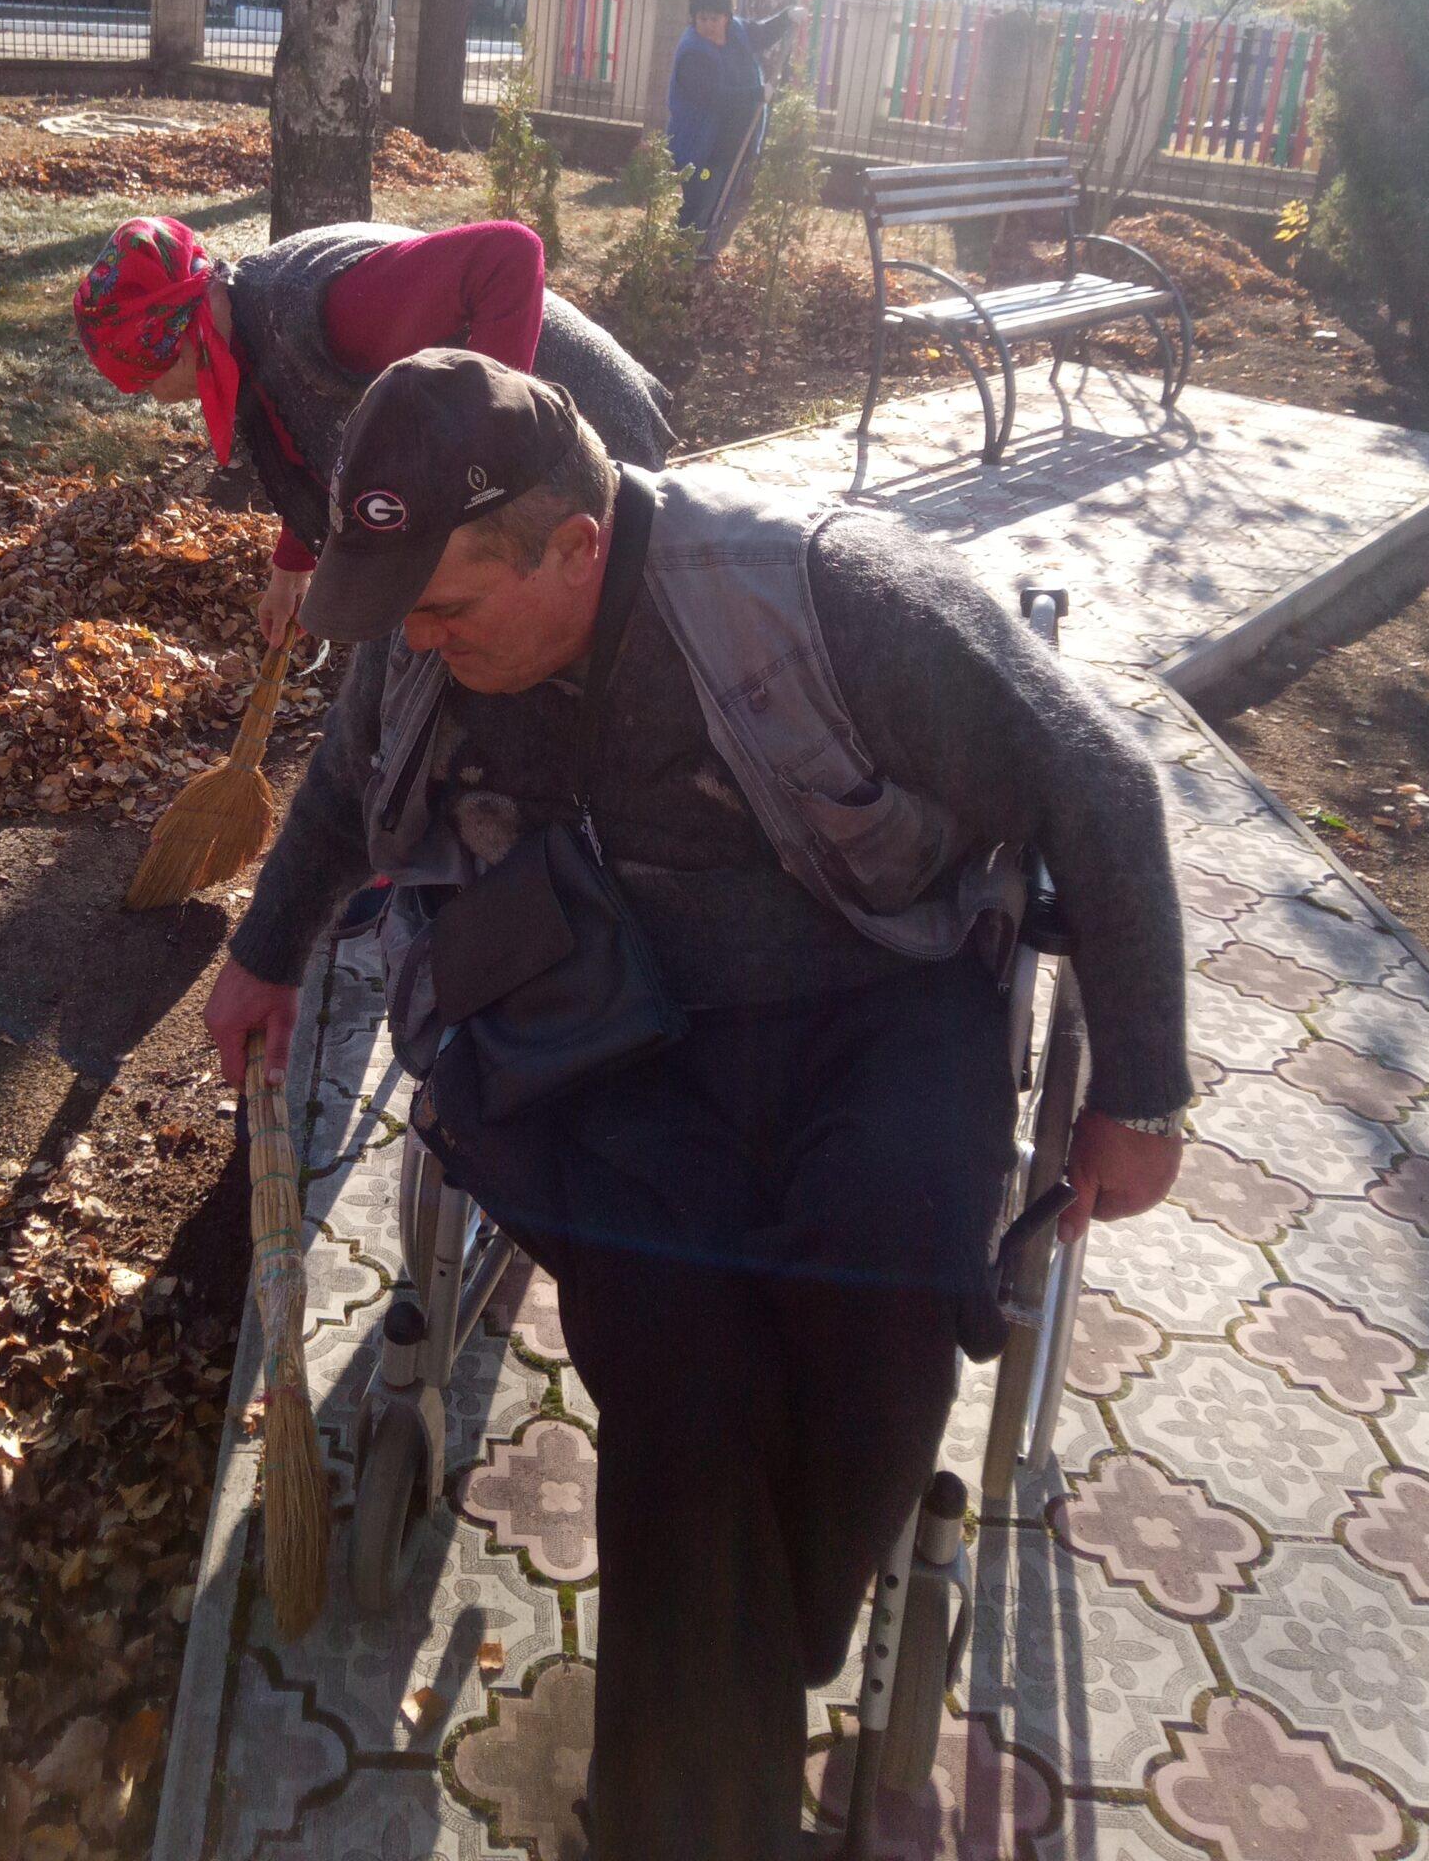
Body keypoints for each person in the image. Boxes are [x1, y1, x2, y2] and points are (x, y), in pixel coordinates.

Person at [203, 351, 1190, 1861]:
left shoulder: (826, 594)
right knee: (680, 1368)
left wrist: (1142, 1088)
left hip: (874, 1002)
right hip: (595, 1030)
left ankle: (745, 1670)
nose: (417, 638)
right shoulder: (425, 627)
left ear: (575, 545)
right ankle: (689, 1813)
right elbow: (346, 782)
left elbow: (1101, 783)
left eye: (449, 606)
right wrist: (266, 951)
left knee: (876, 1318)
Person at [71, 216, 672, 643]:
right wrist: (291, 566)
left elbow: (509, 255)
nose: (153, 398)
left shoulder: (324, 308)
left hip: (587, 417)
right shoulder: (244, 326)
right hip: (520, 445)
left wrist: (481, 437)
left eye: (144, 381)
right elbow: (319, 434)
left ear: (174, 342)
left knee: (557, 640)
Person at [667, 0, 795, 238]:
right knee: (699, 203)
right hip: (702, 147)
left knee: (721, 204)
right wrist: (756, 93)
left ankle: (705, 251)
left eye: (714, 18)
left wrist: (787, 17)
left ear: (727, 17)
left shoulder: (737, 31)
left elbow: (763, 33)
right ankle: (681, 252)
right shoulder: (693, 51)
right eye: (702, 18)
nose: (707, 25)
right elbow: (713, 97)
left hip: (735, 142)